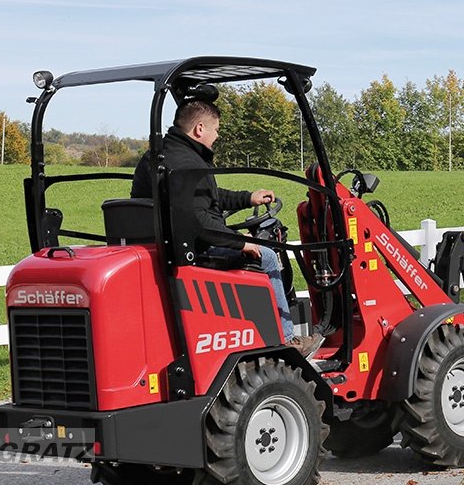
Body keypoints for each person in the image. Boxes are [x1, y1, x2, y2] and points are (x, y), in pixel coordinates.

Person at [132, 100, 324, 357]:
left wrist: (248, 198)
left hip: (168, 243)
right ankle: (287, 340)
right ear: (200, 129)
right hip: (192, 249)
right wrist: (240, 242)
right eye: (216, 130)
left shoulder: (159, 156)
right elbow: (199, 221)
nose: (217, 136)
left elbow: (204, 197)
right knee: (267, 254)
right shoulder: (188, 164)